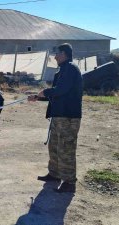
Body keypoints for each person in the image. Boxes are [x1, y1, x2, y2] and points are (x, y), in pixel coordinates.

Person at [28, 43, 82, 193]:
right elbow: (57, 94)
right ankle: (55, 174)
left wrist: (44, 91)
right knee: (55, 147)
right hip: (59, 116)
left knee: (66, 148)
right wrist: (37, 98)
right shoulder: (62, 71)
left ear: (64, 54)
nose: (55, 56)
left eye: (57, 53)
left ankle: (69, 182)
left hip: (68, 117)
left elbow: (61, 90)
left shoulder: (71, 69)